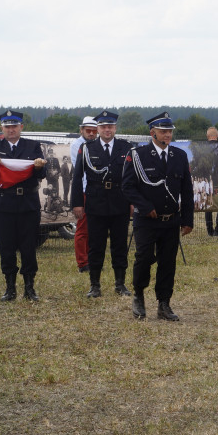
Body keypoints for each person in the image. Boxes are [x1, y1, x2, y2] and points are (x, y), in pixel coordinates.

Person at [121, 112, 193, 321]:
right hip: (146, 219)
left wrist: (187, 219)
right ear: (152, 133)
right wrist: (145, 206)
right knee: (143, 258)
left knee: (168, 262)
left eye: (170, 131)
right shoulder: (137, 155)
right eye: (163, 131)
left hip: (170, 219)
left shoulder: (179, 156)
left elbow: (186, 190)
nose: (167, 135)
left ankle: (164, 303)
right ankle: (139, 296)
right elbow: (127, 186)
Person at [0, 110, 47, 301]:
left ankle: (29, 287)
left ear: (21, 127)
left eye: (14, 126)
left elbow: (41, 175)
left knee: (29, 247)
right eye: (7, 126)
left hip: (27, 203)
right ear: (1, 128)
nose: (11, 130)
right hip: (5, 204)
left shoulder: (33, 146)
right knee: (6, 247)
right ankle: (10, 288)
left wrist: (39, 167)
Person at [71, 110, 135, 299]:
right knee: (96, 245)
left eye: (111, 126)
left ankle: (120, 283)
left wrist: (132, 201)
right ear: (97, 129)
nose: (107, 130)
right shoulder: (87, 148)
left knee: (119, 245)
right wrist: (77, 203)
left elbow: (132, 177)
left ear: (115, 128)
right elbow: (77, 178)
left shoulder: (126, 147)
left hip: (119, 201)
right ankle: (95, 285)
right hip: (95, 201)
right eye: (103, 127)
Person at [70, 117, 98, 273]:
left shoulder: (96, 144)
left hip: (96, 190)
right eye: (88, 130)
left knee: (93, 227)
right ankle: (82, 262)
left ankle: (90, 258)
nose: (92, 133)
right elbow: (82, 171)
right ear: (81, 130)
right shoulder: (77, 145)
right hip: (85, 189)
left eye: (94, 131)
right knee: (82, 228)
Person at [204, 126, 218, 237]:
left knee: (208, 204)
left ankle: (209, 231)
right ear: (217, 136)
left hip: (207, 178)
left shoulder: (203, 147)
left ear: (207, 137)